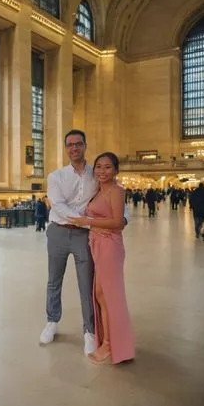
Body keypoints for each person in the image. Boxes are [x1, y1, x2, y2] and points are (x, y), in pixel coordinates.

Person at [39, 129, 127, 356]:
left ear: (85, 146)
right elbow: (57, 205)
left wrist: (123, 217)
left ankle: (89, 330)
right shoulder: (56, 176)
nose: (74, 148)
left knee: (86, 283)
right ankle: (52, 321)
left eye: (78, 144)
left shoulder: (95, 174)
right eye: (69, 144)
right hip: (58, 231)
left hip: (83, 236)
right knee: (53, 280)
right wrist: (84, 221)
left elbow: (111, 194)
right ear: (66, 148)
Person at [68, 152, 135, 365]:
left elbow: (118, 222)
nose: (102, 171)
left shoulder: (116, 191)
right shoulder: (98, 190)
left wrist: (87, 221)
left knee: (109, 296)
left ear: (116, 170)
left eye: (107, 167)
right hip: (97, 244)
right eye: (98, 166)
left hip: (109, 246)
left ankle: (110, 345)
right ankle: (110, 340)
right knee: (100, 294)